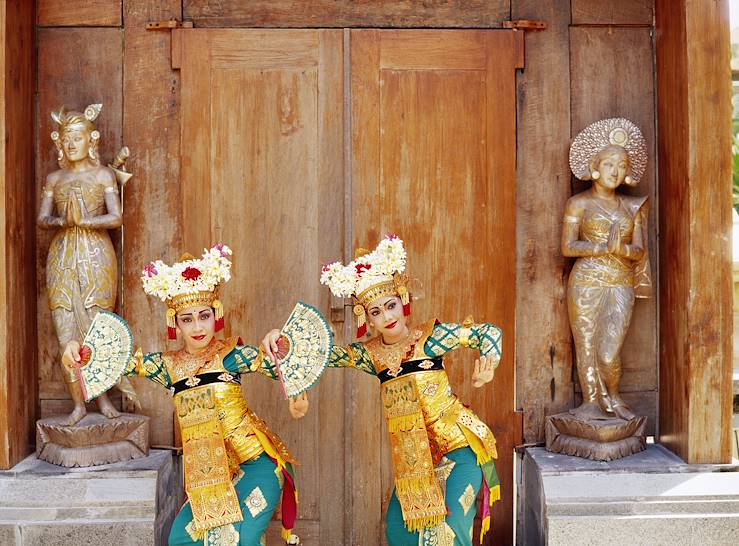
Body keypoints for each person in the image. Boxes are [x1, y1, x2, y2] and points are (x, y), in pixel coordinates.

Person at [265, 235, 502, 546]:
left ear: (403, 302)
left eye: (390, 306)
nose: (387, 317)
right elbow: (319, 354)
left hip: (461, 447)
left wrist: (490, 361)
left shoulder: (430, 338)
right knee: (400, 531)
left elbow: (487, 332)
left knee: (451, 528)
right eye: (376, 312)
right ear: (367, 319)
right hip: (415, 461)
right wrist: (278, 339)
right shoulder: (371, 354)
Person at [64, 244, 305, 545]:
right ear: (174, 323)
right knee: (181, 539)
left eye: (203, 316)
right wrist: (77, 350)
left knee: (243, 540)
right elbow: (118, 362)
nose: (197, 326)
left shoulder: (232, 355)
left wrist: (275, 340)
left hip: (259, 467)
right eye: (187, 319)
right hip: (211, 480)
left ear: (215, 315)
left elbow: (278, 360)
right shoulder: (168, 366)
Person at [38, 104, 134, 425]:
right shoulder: (55, 178)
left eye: (77, 138)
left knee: (97, 324)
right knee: (66, 326)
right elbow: (42, 218)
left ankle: (103, 397)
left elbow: (117, 217)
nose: (71, 144)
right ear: (60, 143)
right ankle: (78, 403)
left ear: (91, 140)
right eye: (66, 139)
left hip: (96, 254)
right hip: (63, 254)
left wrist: (88, 220)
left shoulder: (103, 174)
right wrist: (63, 220)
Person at [562, 118, 652, 421]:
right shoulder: (578, 204)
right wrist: (601, 248)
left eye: (622, 165)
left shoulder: (632, 207)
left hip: (620, 282)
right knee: (585, 343)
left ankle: (613, 396)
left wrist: (622, 250)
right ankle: (590, 401)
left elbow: (639, 251)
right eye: (610, 164)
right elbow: (568, 247)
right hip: (586, 280)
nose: (616, 171)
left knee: (609, 351)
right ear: (595, 167)